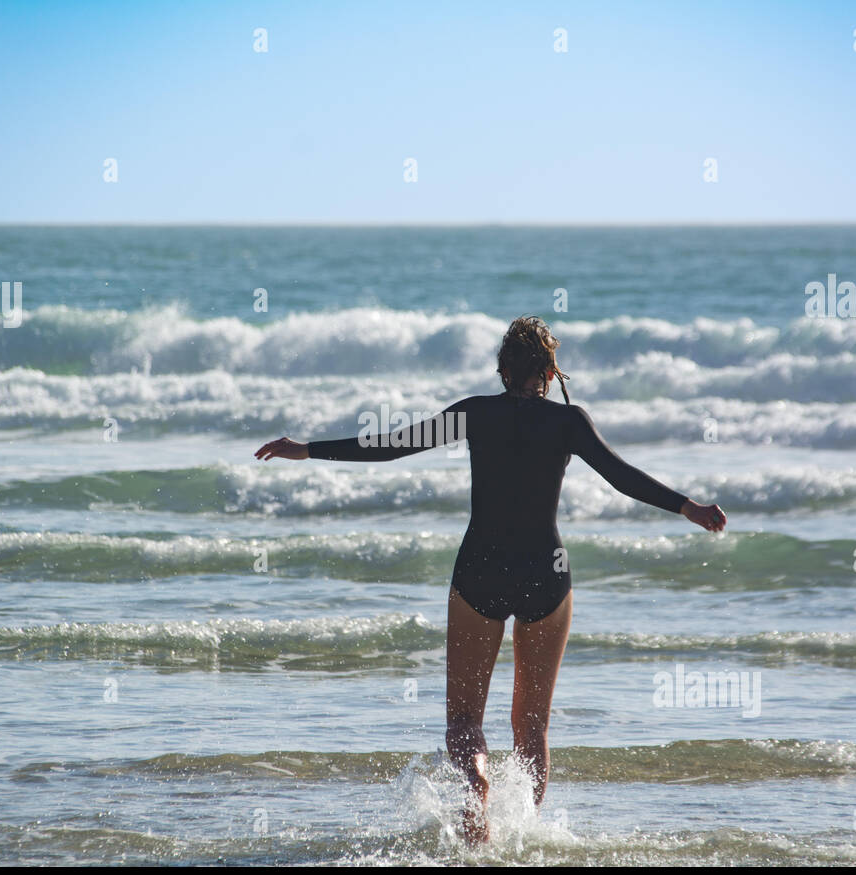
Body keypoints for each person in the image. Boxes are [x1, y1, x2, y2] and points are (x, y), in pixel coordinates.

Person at [254, 316, 727, 846]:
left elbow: (392, 445)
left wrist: (308, 449)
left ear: (502, 369)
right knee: (531, 727)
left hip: (481, 568)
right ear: (550, 371)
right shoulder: (570, 422)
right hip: (545, 574)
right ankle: (518, 835)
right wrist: (687, 506)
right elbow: (621, 476)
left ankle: (475, 801)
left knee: (463, 720)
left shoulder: (474, 414)